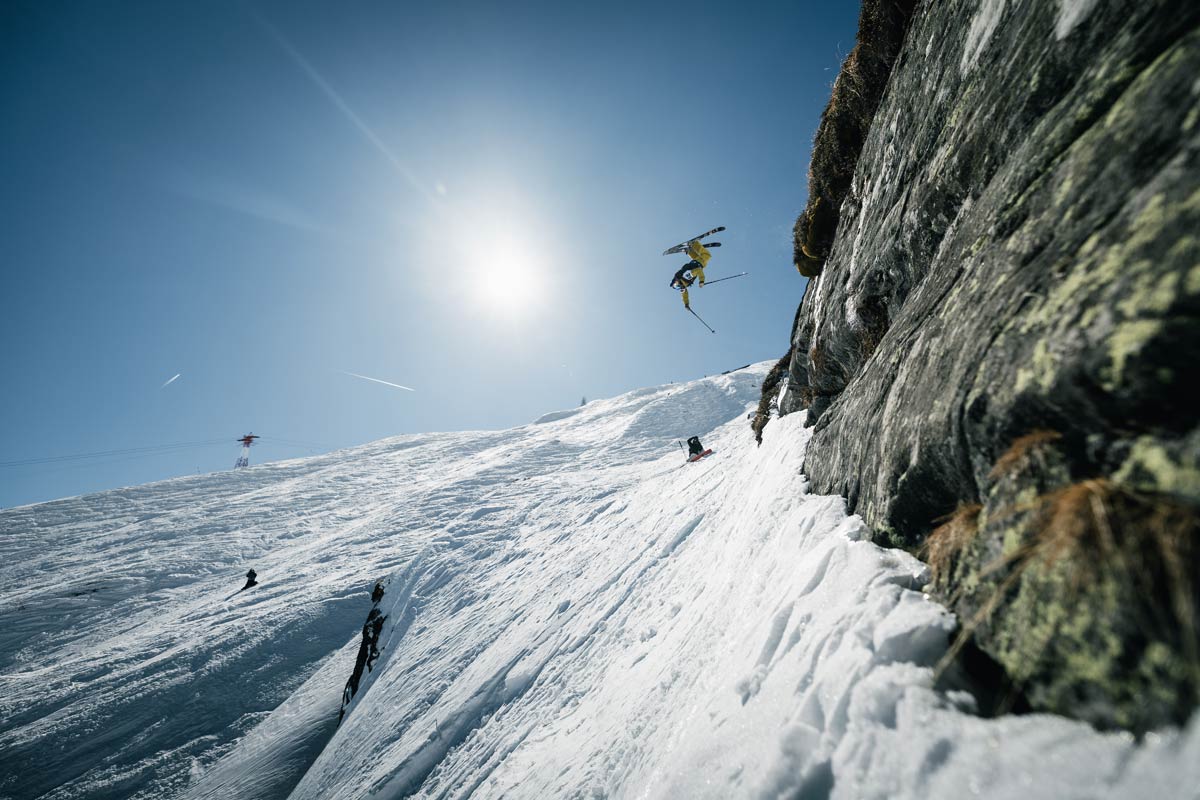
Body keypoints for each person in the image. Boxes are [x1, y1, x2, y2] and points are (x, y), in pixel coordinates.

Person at [669, 239, 714, 308]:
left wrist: (701, 281)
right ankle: (689, 251)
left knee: (707, 255)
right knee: (697, 257)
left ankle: (694, 243)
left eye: (677, 285)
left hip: (699, 263)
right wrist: (686, 304)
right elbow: (684, 295)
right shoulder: (681, 282)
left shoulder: (686, 277)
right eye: (678, 287)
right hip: (694, 262)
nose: (680, 287)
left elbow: (698, 270)